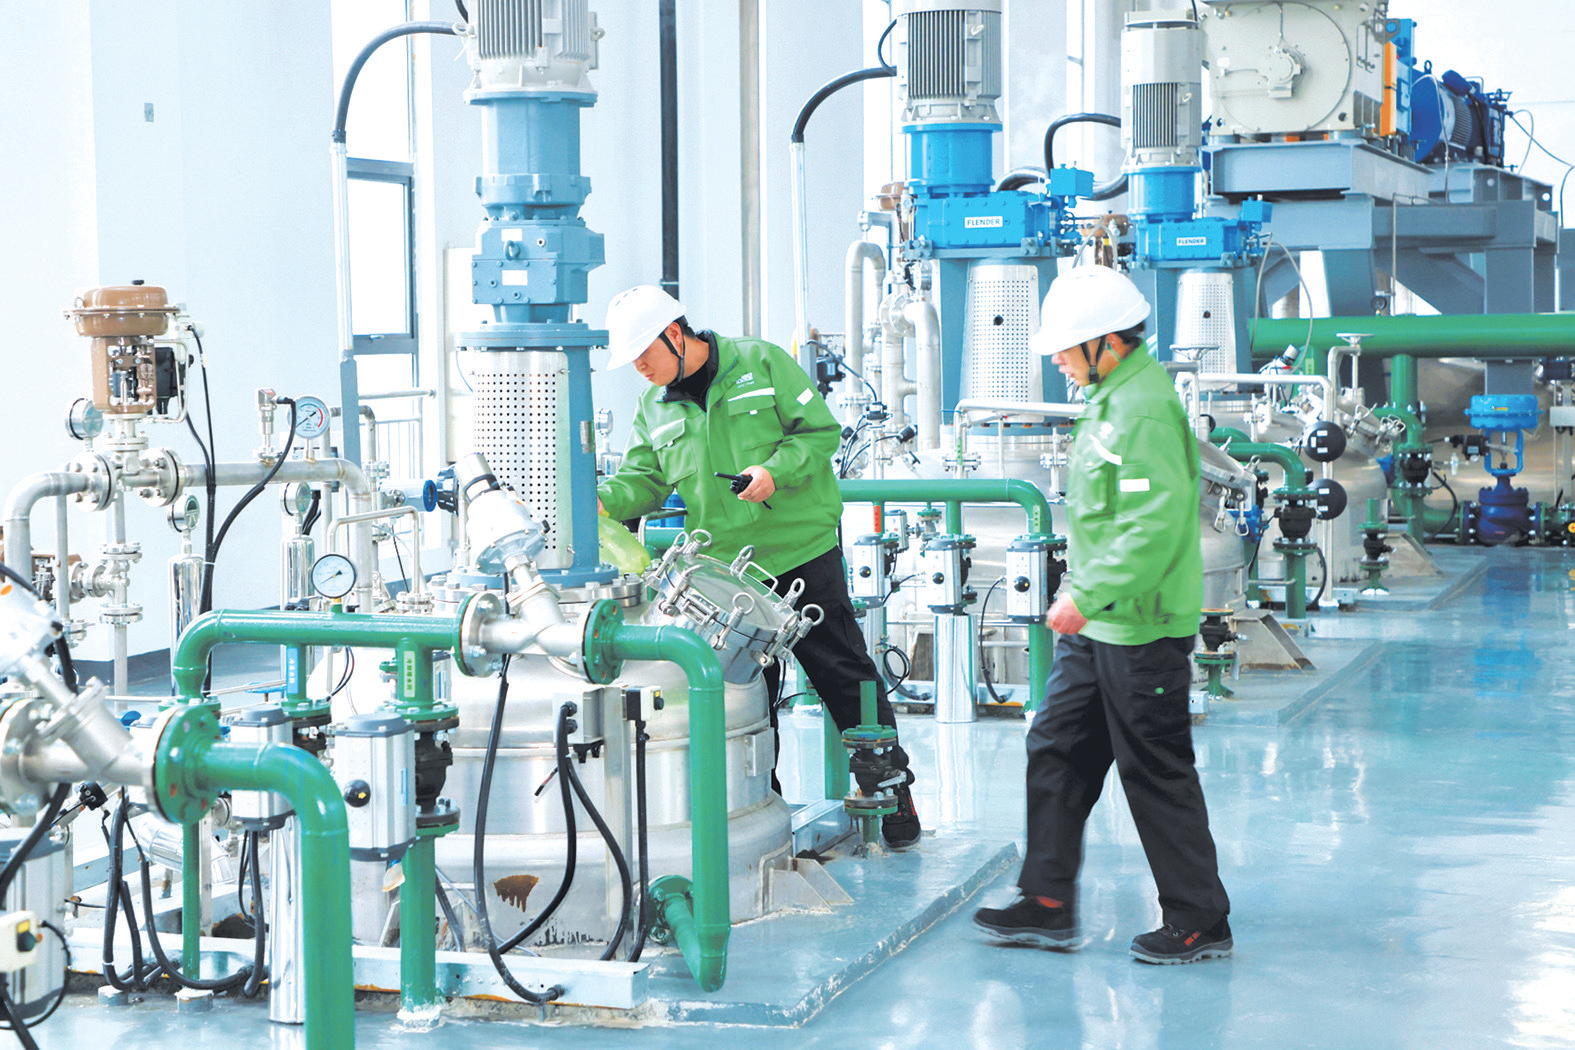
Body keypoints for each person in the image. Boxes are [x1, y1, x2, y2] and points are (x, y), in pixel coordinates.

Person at [595, 285, 921, 849]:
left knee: (845, 678)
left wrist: (775, 472)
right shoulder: (654, 407)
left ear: (675, 334)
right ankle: (759, 810)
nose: (640, 368)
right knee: (744, 700)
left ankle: (890, 792)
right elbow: (643, 482)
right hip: (730, 581)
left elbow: (819, 433)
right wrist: (598, 501)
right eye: (632, 360)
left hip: (801, 553)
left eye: (644, 353)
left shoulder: (760, 363)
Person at [973, 265, 1231, 963]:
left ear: (1108, 343)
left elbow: (1152, 525)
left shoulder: (1140, 409)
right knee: (1056, 747)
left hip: (1138, 624)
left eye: (1066, 346)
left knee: (1153, 768)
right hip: (1099, 622)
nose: (1056, 359)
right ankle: (1046, 902)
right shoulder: (1107, 398)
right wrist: (1082, 596)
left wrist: (1086, 595)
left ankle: (1200, 919)